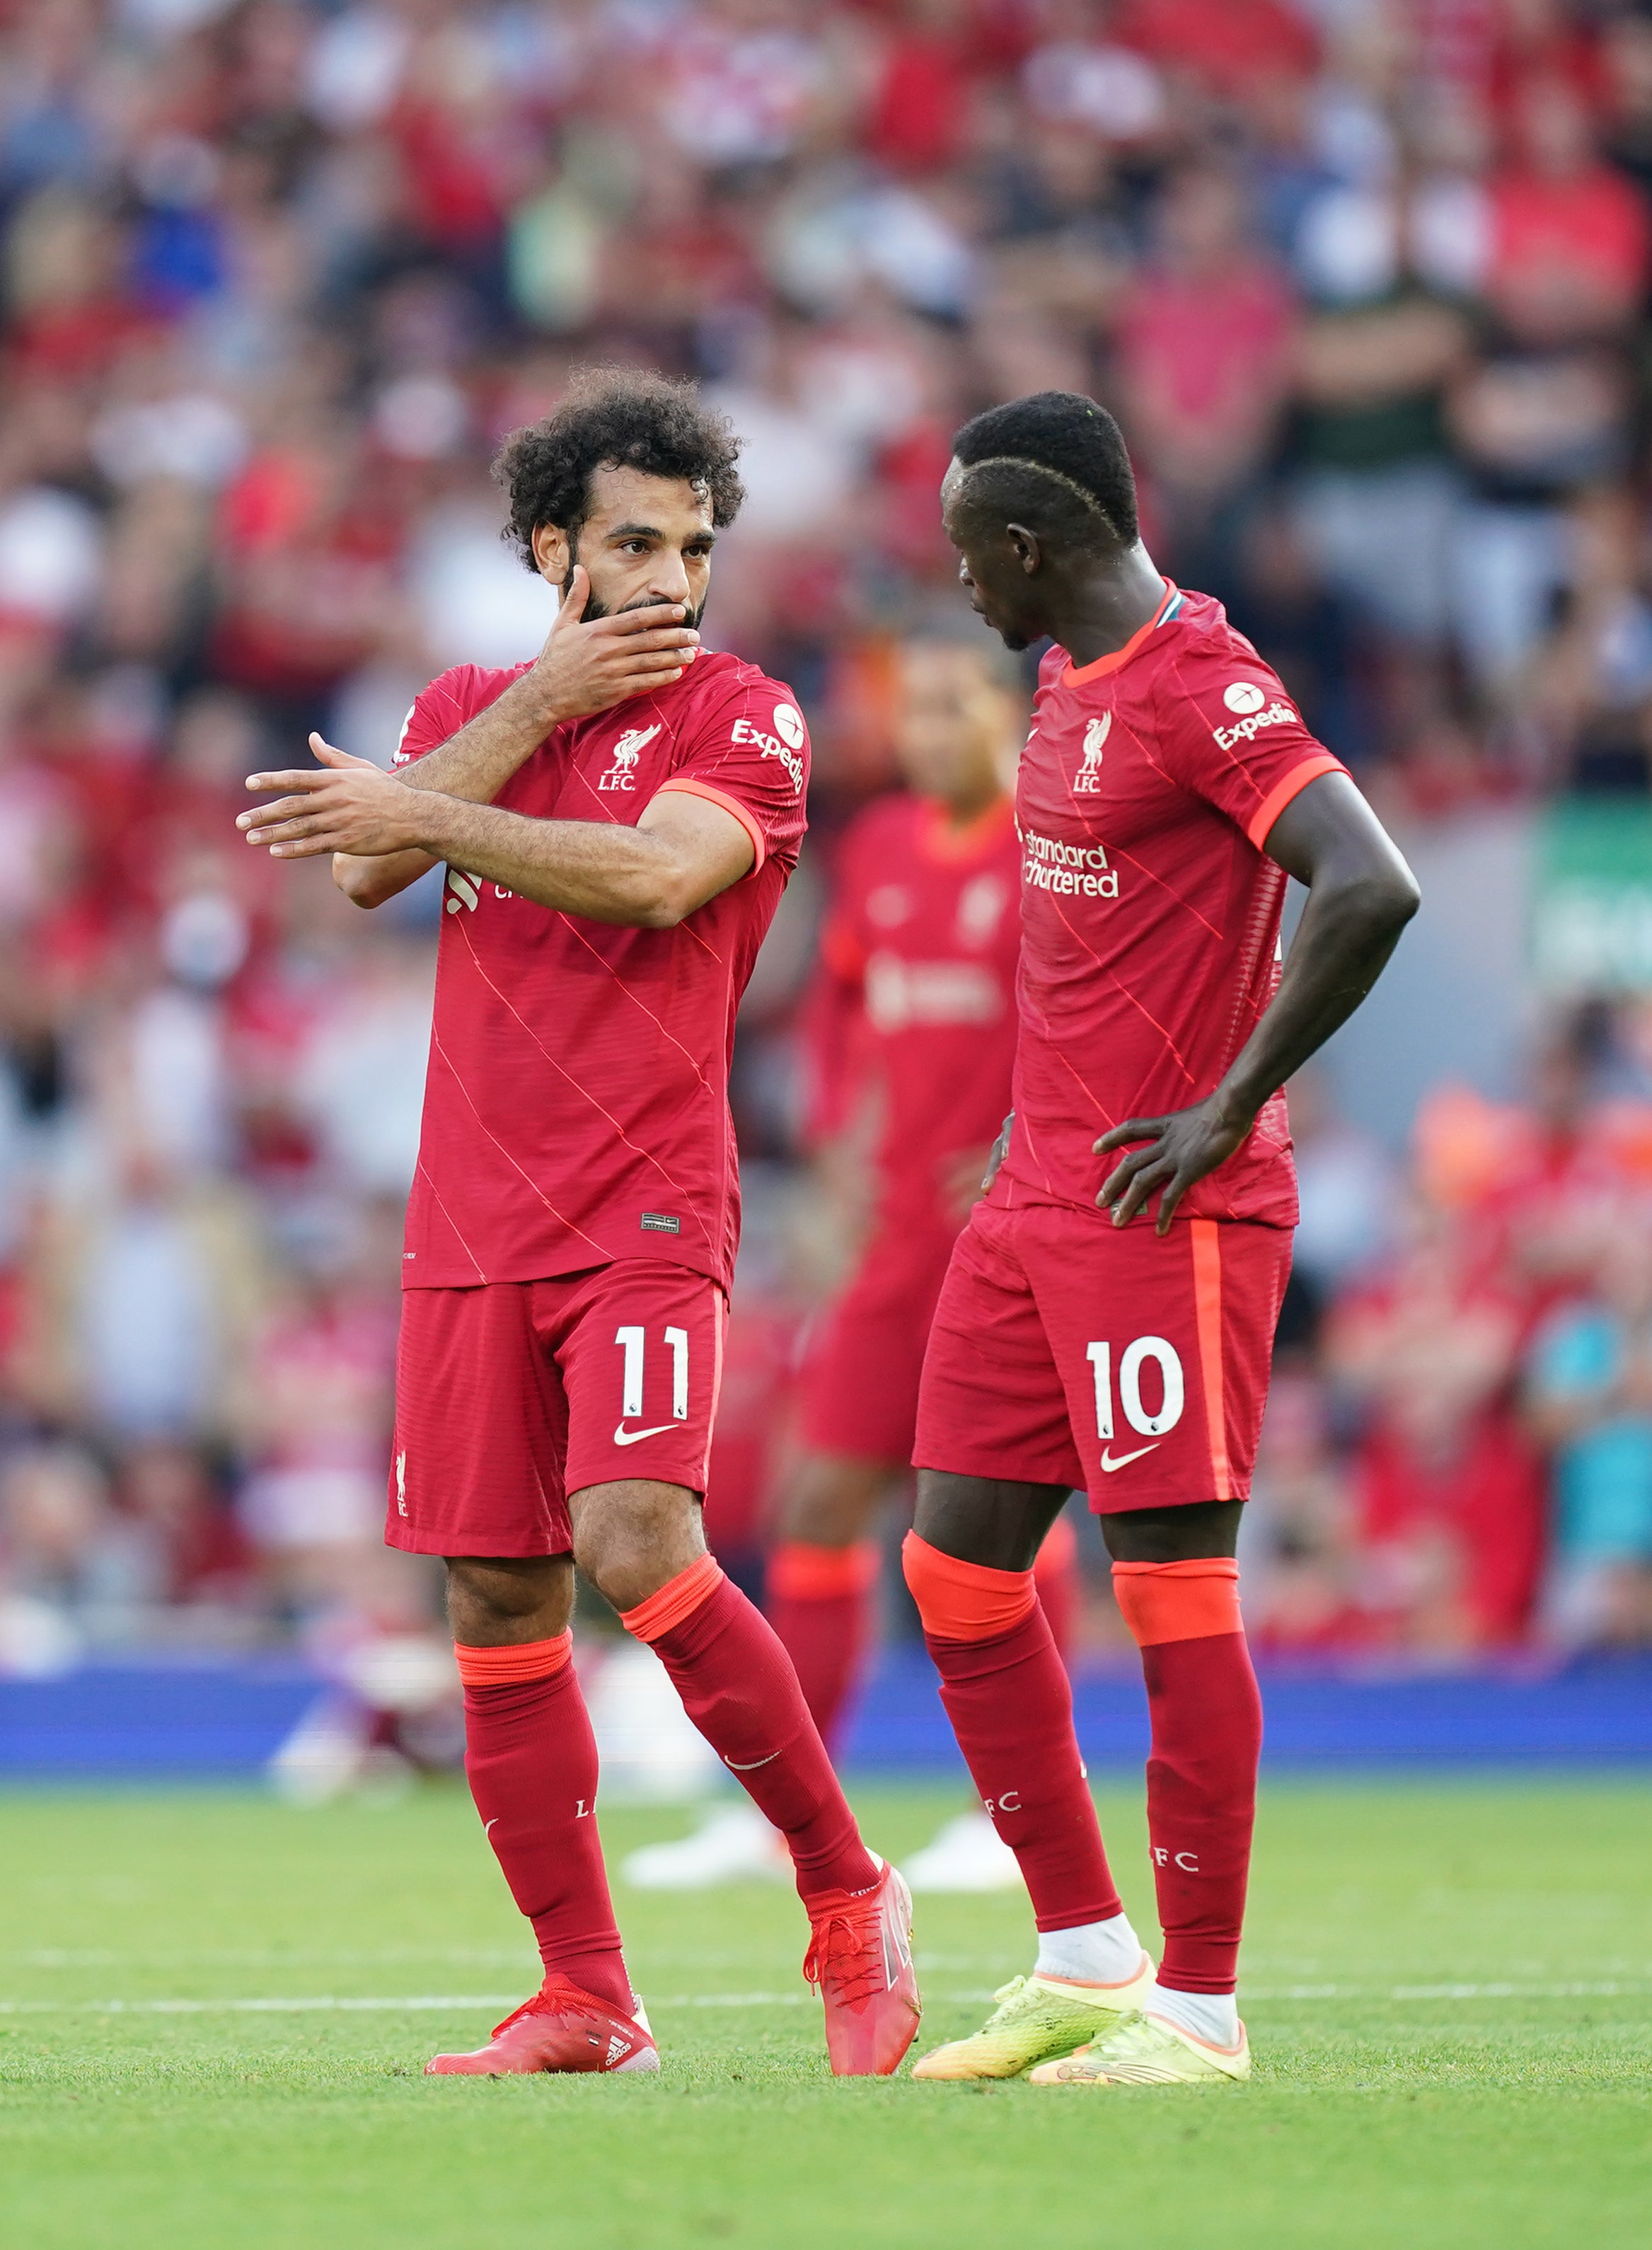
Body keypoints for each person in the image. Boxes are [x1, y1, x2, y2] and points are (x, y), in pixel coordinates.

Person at [236, 368, 920, 2080]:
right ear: (553, 546)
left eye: (695, 546)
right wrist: (523, 714)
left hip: (646, 1197)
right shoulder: (484, 696)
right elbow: (363, 872)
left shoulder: (745, 712)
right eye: (635, 542)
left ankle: (846, 1894)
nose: (674, 581)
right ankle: (587, 1996)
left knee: (637, 1544)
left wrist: (435, 805)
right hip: (470, 1213)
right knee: (492, 1601)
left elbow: (655, 878)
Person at [900, 389, 1419, 2089]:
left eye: (973, 551)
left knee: (1172, 1594)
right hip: (1035, 1195)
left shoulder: (1208, 688)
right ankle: (1082, 1956)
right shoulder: (1064, 673)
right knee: (957, 1571)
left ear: (1034, 547)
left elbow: (1368, 883)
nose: (961, 582)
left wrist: (1224, 1103)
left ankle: (1198, 2010)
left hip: (1162, 1206)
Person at [624, 633, 1078, 1895]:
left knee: (998, 1520)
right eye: (911, 714)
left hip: (1010, 1240)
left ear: (1005, 715)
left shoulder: (1048, 856)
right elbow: (836, 1022)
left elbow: (1090, 1015)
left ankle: (1020, 1814)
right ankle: (787, 1811)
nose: (931, 736)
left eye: (951, 706)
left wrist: (1026, 1135)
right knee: (820, 1504)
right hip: (892, 1241)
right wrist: (834, 1163)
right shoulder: (876, 852)